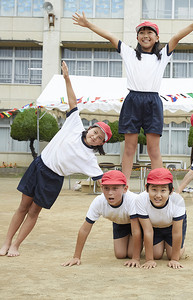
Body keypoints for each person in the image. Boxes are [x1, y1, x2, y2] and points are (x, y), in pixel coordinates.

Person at [72, 11, 193, 182]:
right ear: (137, 37)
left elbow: (176, 37)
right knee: (129, 148)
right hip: (133, 101)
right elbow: (110, 36)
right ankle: (124, 184)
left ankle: (160, 184)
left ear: (157, 37)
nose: (145, 36)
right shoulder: (129, 53)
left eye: (149, 32)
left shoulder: (163, 55)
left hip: (153, 101)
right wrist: (88, 24)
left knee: (154, 150)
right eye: (142, 33)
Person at [0, 62, 111, 257]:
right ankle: (6, 242)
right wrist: (67, 78)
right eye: (95, 131)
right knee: (23, 206)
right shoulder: (75, 124)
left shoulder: (90, 159)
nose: (95, 136)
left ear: (100, 144)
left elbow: (101, 180)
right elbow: (72, 102)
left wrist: (116, 195)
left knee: (34, 212)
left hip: (53, 179)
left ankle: (16, 245)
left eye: (100, 138)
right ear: (90, 128)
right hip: (39, 166)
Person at [61, 170, 142, 267]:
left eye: (115, 188)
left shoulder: (132, 199)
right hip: (119, 223)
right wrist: (76, 257)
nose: (110, 193)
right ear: (101, 188)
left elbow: (136, 230)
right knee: (120, 254)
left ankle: (143, 240)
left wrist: (135, 258)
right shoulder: (99, 201)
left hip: (138, 223)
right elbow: (84, 229)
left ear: (125, 189)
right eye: (106, 188)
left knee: (131, 253)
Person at [135, 168, 187, 269]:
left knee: (172, 254)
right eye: (154, 189)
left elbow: (177, 232)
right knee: (156, 255)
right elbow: (148, 230)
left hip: (171, 226)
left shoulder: (178, 200)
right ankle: (162, 244)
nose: (158, 195)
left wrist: (174, 259)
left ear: (171, 191)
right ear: (146, 188)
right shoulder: (140, 199)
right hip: (153, 226)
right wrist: (149, 260)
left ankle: (181, 246)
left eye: (163, 190)